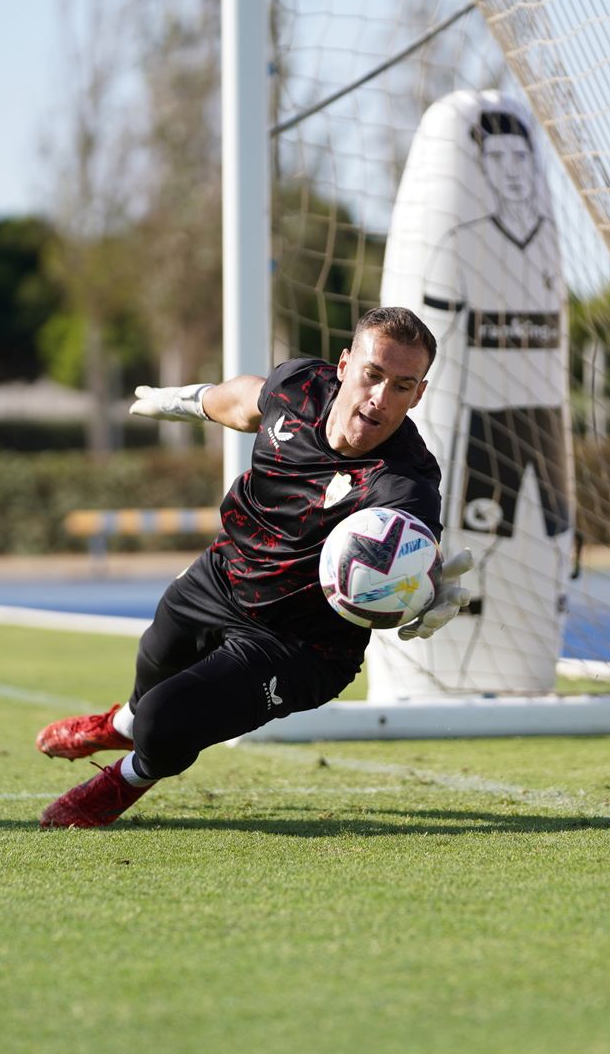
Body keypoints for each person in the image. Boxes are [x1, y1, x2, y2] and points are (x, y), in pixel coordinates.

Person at [35, 306, 473, 828]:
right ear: (343, 365)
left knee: (165, 720)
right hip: (225, 575)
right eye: (372, 376)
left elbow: (416, 541)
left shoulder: (404, 479)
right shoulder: (298, 388)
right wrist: (189, 401)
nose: (380, 398)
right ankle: (118, 723)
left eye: (402, 386)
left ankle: (127, 777)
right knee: (154, 656)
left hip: (299, 646)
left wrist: (427, 584)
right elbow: (245, 402)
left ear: (418, 394)